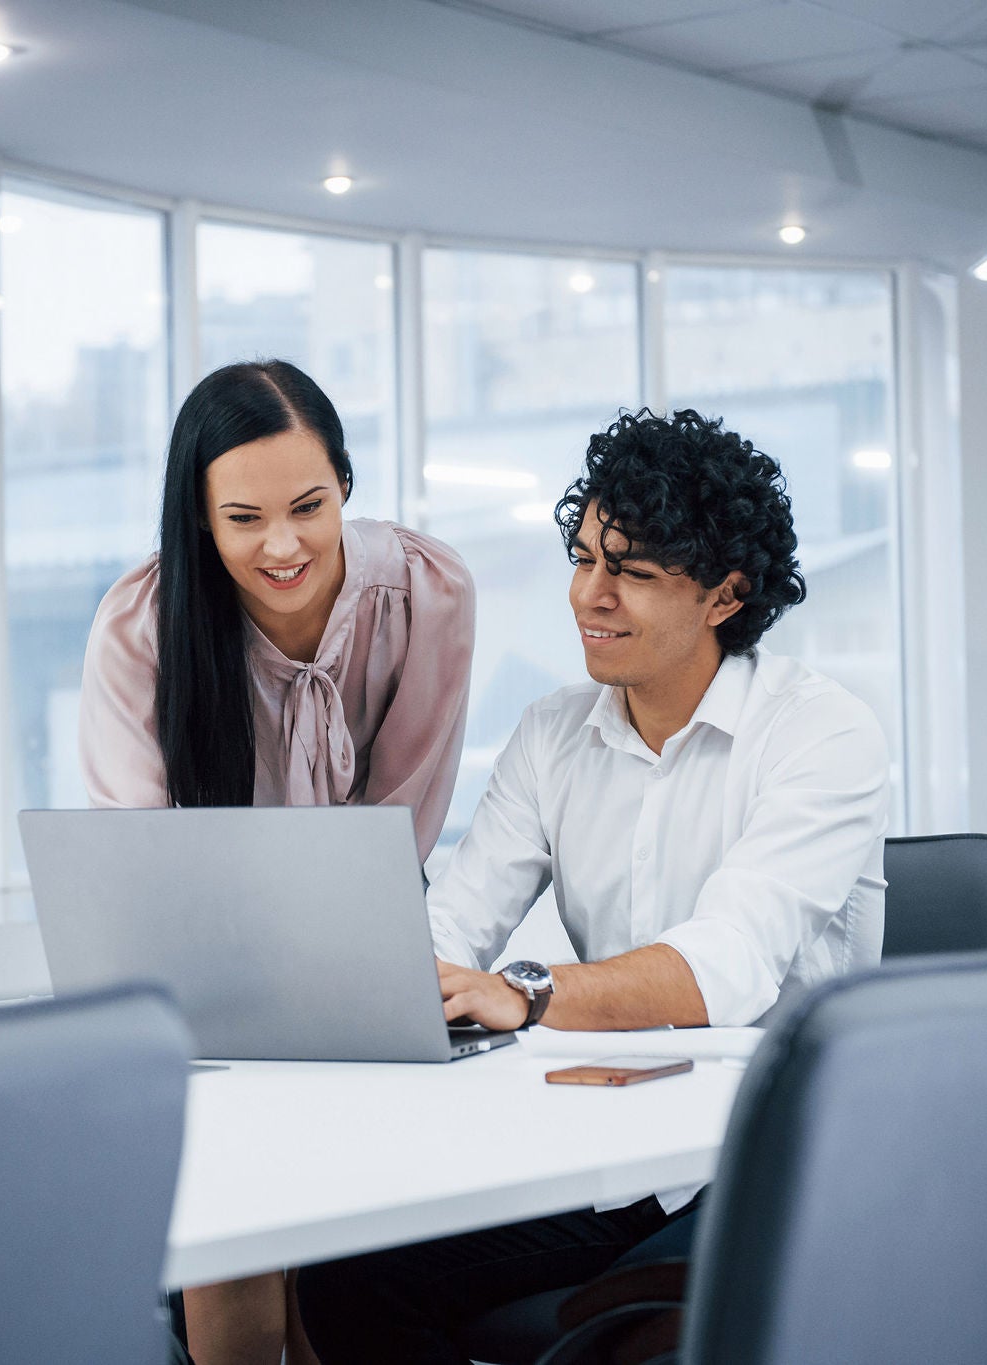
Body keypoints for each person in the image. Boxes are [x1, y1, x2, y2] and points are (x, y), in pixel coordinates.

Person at [295, 408, 890, 1364]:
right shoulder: (552, 733)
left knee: (629, 1333)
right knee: (345, 1275)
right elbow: (456, 924)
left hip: (766, 1160)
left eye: (632, 572)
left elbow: (724, 968)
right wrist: (354, 990)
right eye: (583, 557)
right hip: (611, 1150)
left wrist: (527, 994)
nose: (589, 595)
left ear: (726, 595)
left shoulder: (822, 734)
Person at [79, 359, 476, 1365]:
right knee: (241, 1236)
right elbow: (141, 865)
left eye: (308, 505)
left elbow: (401, 822)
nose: (283, 544)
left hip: (356, 960)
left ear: (345, 481)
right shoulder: (142, 624)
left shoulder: (424, 594)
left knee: (346, 1274)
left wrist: (337, 966)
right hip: (204, 985)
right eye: (244, 519)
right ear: (202, 521)